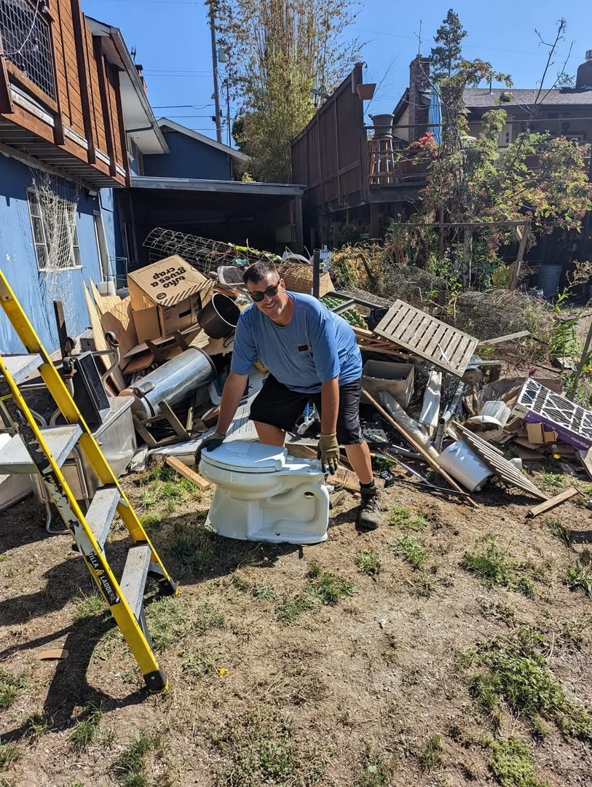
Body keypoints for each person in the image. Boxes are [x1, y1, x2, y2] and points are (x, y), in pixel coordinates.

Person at [196, 260, 380, 530]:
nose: (266, 300)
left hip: (336, 373)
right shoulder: (249, 322)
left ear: (282, 285)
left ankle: (370, 493)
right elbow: (237, 379)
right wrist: (220, 433)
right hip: (290, 376)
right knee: (263, 415)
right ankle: (279, 483)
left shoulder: (311, 313)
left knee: (347, 432)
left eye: (271, 291)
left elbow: (329, 378)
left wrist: (328, 437)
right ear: (251, 297)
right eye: (258, 296)